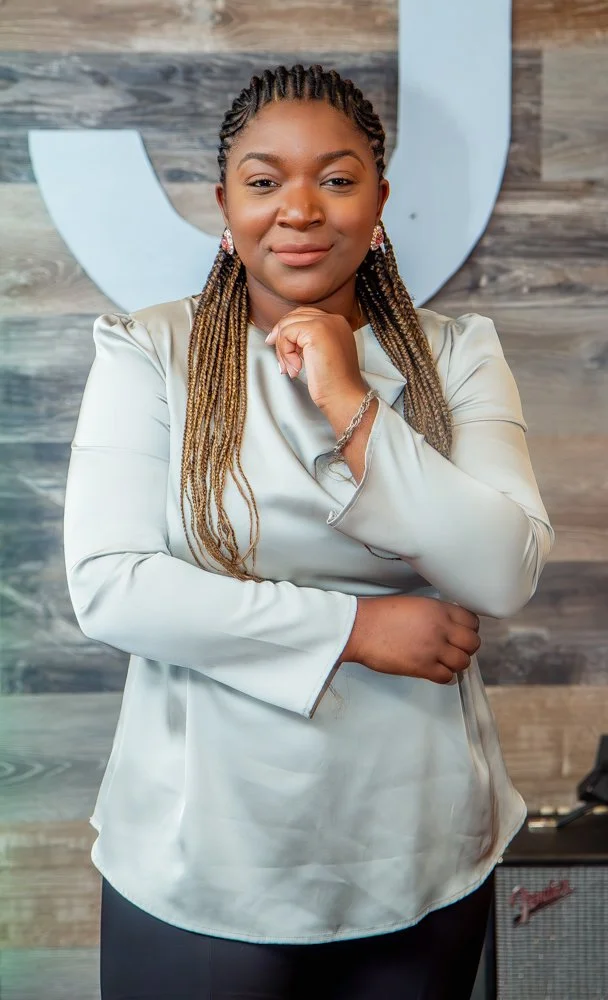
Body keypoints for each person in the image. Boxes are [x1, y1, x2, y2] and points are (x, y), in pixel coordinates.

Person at [63, 64, 554, 1000]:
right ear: (224, 203)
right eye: (264, 181)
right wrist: (358, 631)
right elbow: (112, 583)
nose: (300, 209)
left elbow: (502, 570)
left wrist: (347, 395)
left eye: (336, 179)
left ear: (378, 203)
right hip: (204, 849)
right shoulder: (149, 349)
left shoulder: (459, 353)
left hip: (418, 841)